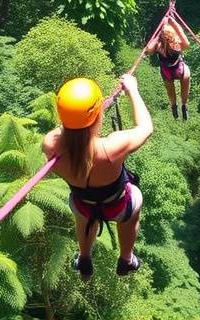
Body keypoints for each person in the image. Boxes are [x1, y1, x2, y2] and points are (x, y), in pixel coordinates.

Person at [42, 75, 153, 280]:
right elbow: (146, 128)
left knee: (83, 216)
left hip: (83, 205)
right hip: (118, 206)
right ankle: (126, 259)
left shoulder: (51, 145)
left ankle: (84, 257)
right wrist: (133, 90)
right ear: (98, 113)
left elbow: (66, 131)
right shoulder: (112, 146)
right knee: (135, 200)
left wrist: (77, 117)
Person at [147, 14, 191, 120]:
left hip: (166, 71)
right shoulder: (178, 45)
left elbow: (149, 49)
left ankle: (173, 107)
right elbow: (187, 43)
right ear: (173, 35)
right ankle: (184, 105)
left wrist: (159, 33)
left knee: (170, 92)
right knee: (185, 82)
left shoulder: (158, 46)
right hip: (179, 68)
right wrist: (174, 23)